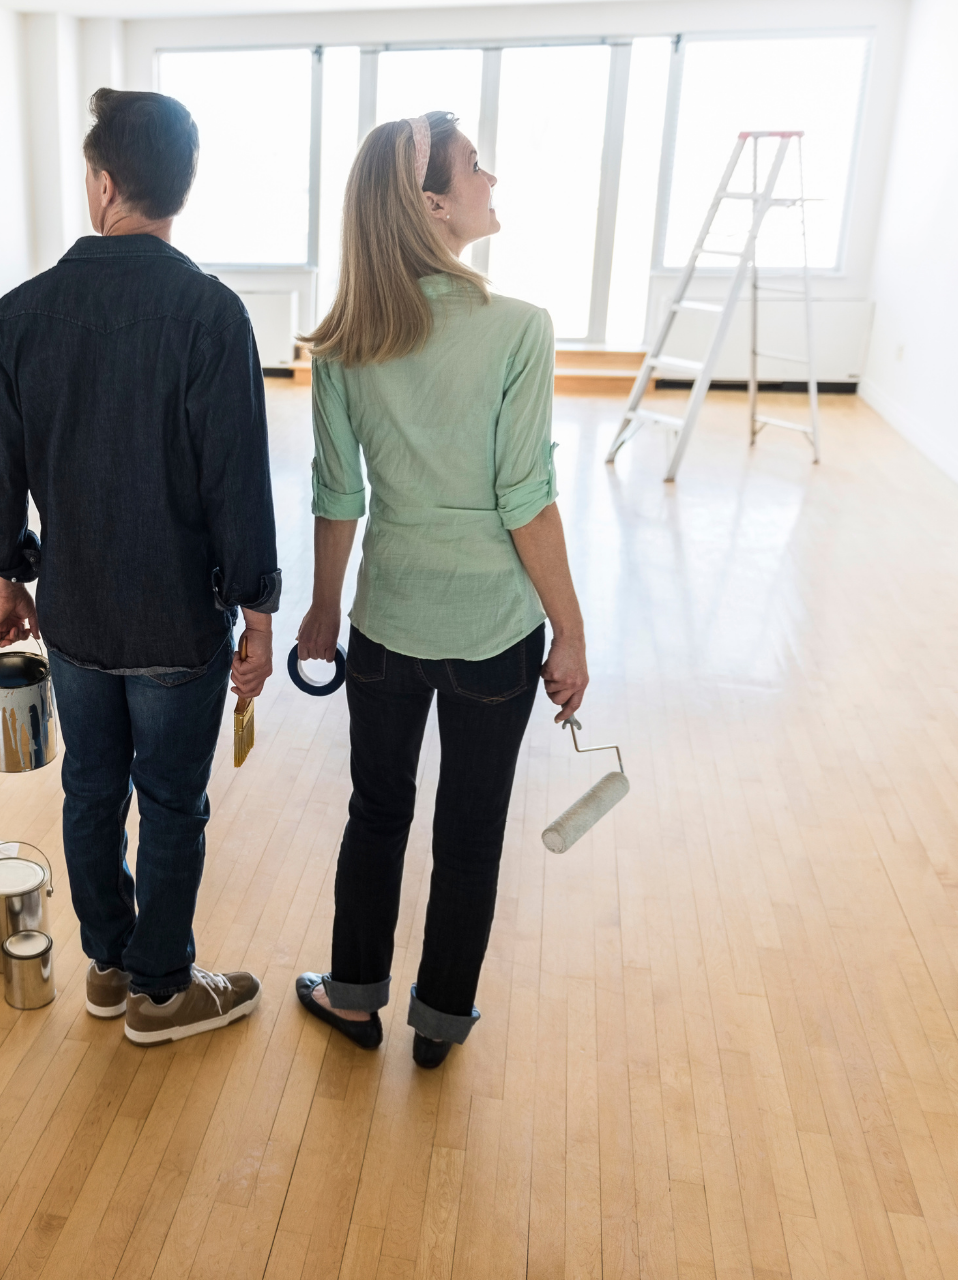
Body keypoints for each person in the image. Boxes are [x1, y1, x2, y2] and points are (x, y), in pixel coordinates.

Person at [0, 89, 279, 1046]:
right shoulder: (211, 315)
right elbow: (239, 481)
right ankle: (161, 990)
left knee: (91, 792)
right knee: (173, 803)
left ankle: (107, 966)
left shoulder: (18, 315)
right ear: (177, 190)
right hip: (177, 622)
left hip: (76, 616)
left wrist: (8, 579)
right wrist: (258, 611)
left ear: (102, 184)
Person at [292, 112, 588, 1069]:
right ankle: (441, 1024)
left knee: (376, 815)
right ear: (431, 204)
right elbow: (526, 501)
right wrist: (571, 632)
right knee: (470, 834)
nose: (490, 177)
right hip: (492, 635)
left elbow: (339, 495)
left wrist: (323, 613)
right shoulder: (519, 332)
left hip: (387, 623)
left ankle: (352, 998)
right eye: (474, 167)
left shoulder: (344, 342)